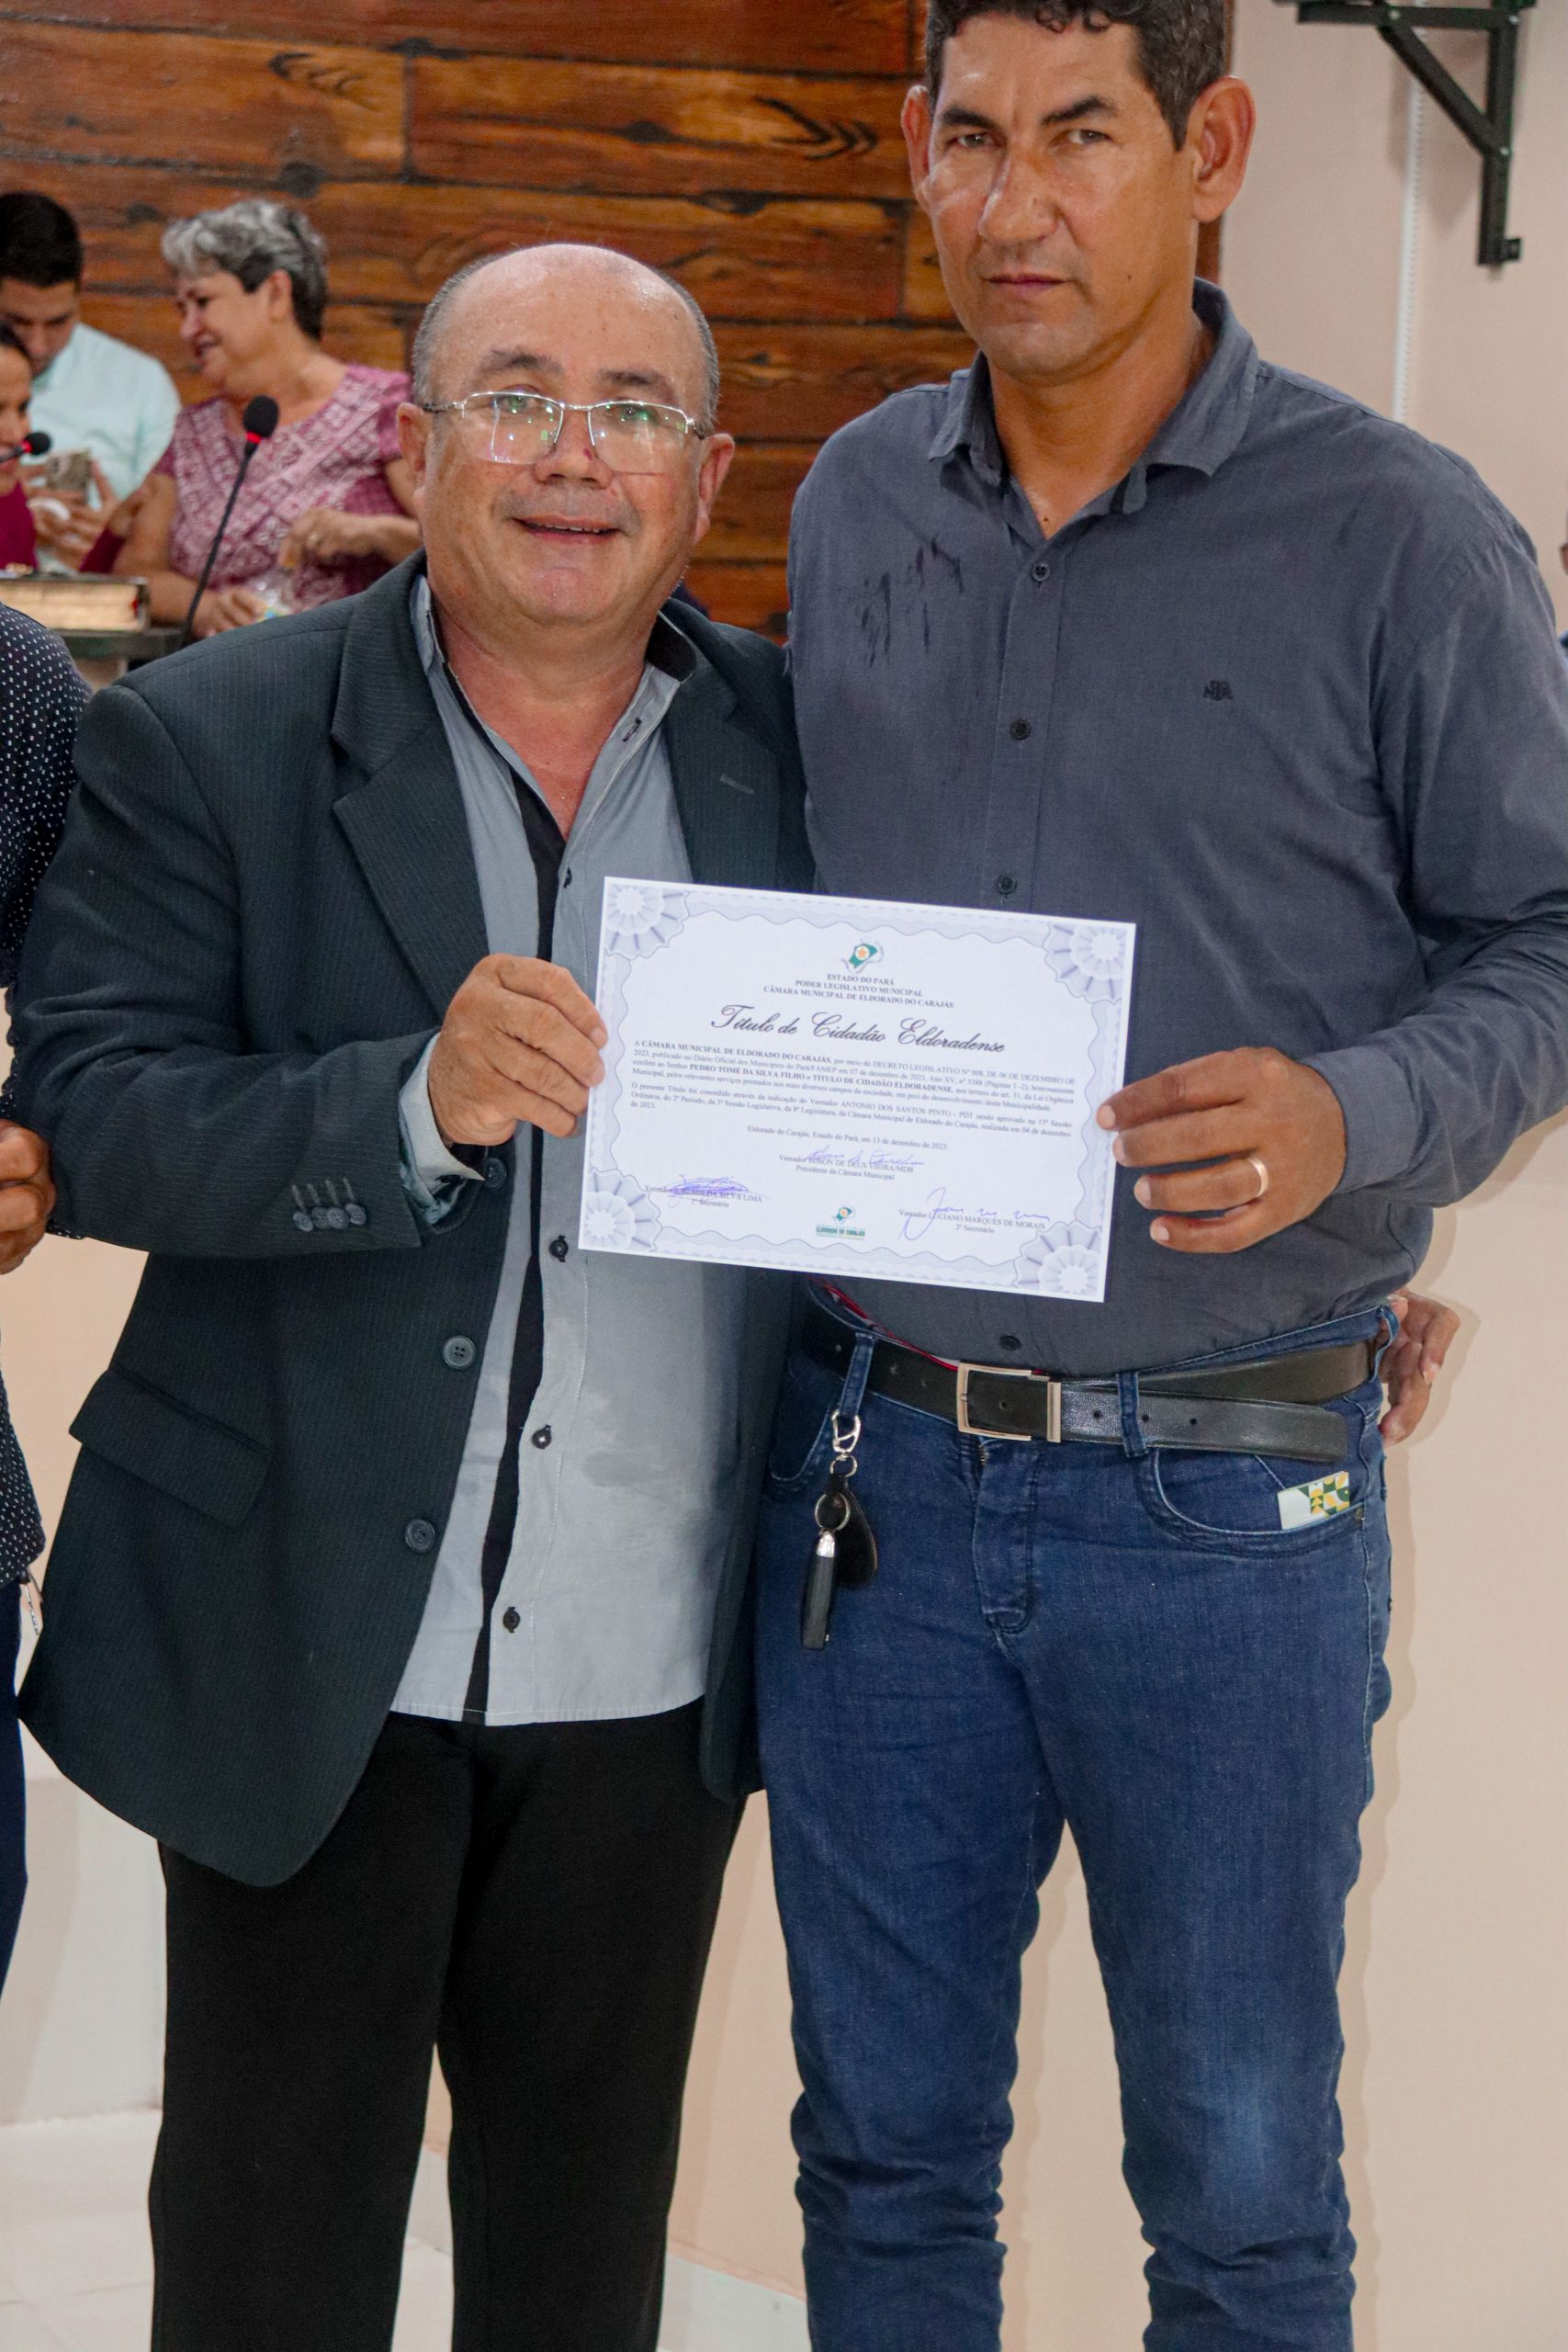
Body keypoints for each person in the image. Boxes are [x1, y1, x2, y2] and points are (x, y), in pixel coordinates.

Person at [758, 6, 1568, 2350]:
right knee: (878, 2152)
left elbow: (1543, 934)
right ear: (912, 147)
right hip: (874, 1481)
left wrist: (1352, 1115)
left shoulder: (1398, 530)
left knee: (1232, 2186)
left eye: (1080, 137)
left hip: (1225, 1506)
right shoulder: (850, 498)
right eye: (970, 139)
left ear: (1207, 146)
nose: (1013, 205)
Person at [12, 242, 809, 2351]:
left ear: (709, 470)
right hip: (298, 1640)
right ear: (416, 444)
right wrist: (408, 1107)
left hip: (652, 1663)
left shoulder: (806, 751)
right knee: (268, 2268)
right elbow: (93, 1114)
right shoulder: (209, 730)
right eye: (515, 396)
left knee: (574, 2270)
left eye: (632, 409)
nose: (572, 454)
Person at [111, 198, 420, 639]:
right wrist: (206, 609)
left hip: (349, 671)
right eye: (182, 310)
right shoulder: (192, 433)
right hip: (220, 673)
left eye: (202, 302)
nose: (188, 329)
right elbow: (135, 578)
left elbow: (460, 549)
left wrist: (375, 533)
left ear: (275, 294)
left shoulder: (384, 408)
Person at [0, 191, 179, 569]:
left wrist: (122, 539)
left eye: (57, 322)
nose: (37, 346)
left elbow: (168, 527)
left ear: (82, 285)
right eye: (16, 322)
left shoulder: (141, 384)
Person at [0, 324, 38, 569]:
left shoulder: (11, 501)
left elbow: (31, 590)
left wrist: (114, 535)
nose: (16, 435)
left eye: (22, 409)